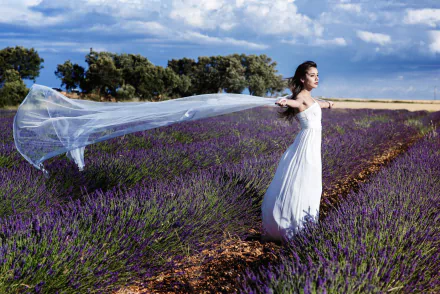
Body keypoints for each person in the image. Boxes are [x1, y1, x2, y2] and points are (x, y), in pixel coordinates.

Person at [261, 61, 334, 241]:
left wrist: (329, 103)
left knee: (309, 182)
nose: (316, 78)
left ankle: (302, 223)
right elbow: (293, 102)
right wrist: (284, 101)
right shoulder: (301, 97)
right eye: (312, 75)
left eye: (317, 75)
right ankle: (293, 226)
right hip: (306, 146)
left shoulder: (311, 98)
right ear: (302, 79)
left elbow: (318, 104)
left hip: (313, 146)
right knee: (302, 181)